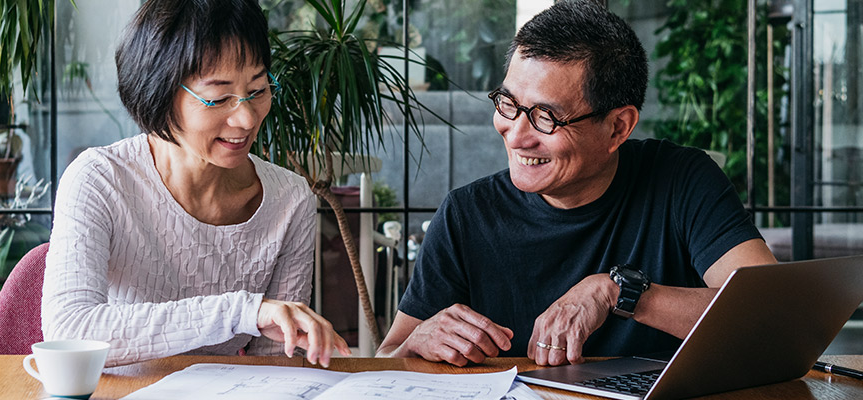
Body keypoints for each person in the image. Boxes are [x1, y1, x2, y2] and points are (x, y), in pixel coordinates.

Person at [378, 0, 778, 367]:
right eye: (508, 104)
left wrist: (620, 293)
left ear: (618, 127)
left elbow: (772, 316)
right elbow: (386, 358)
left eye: (546, 117)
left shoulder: (681, 180)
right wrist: (418, 340)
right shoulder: (466, 214)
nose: (516, 135)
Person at [42, 0, 349, 368]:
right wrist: (241, 311)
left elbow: (272, 362)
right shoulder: (100, 179)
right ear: (158, 90)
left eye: (258, 89)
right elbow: (69, 331)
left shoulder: (289, 200)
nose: (246, 118)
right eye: (218, 98)